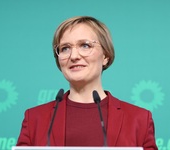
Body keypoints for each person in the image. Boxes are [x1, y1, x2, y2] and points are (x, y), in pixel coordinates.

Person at [16, 16, 158, 150]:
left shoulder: (139, 119)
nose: (74, 56)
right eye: (65, 48)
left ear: (105, 56)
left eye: (85, 45)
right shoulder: (35, 118)